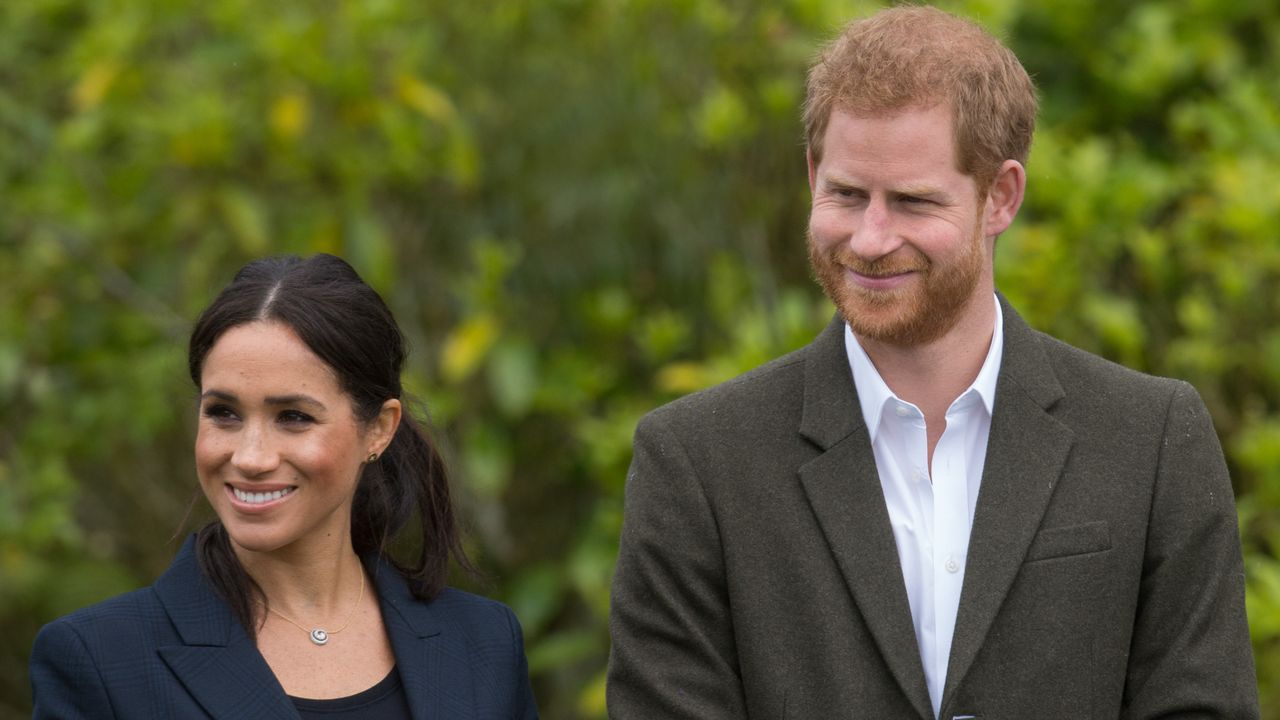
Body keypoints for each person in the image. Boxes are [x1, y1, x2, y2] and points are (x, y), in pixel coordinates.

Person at [607, 6, 1257, 719]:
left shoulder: (1151, 439)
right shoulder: (697, 462)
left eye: (913, 201)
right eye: (847, 194)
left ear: (1001, 197)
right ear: (812, 173)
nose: (871, 238)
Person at [30, 254, 538, 719]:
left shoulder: (484, 643)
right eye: (223, 413)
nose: (250, 457)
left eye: (293, 417)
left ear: (379, 429)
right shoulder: (99, 659)